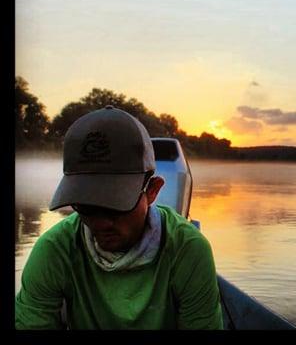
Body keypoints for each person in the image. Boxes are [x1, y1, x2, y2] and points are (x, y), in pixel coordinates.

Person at [15, 105, 224, 330]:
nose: (100, 223)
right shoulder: (55, 250)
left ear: (152, 190)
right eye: (86, 206)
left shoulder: (187, 251)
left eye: (116, 206)